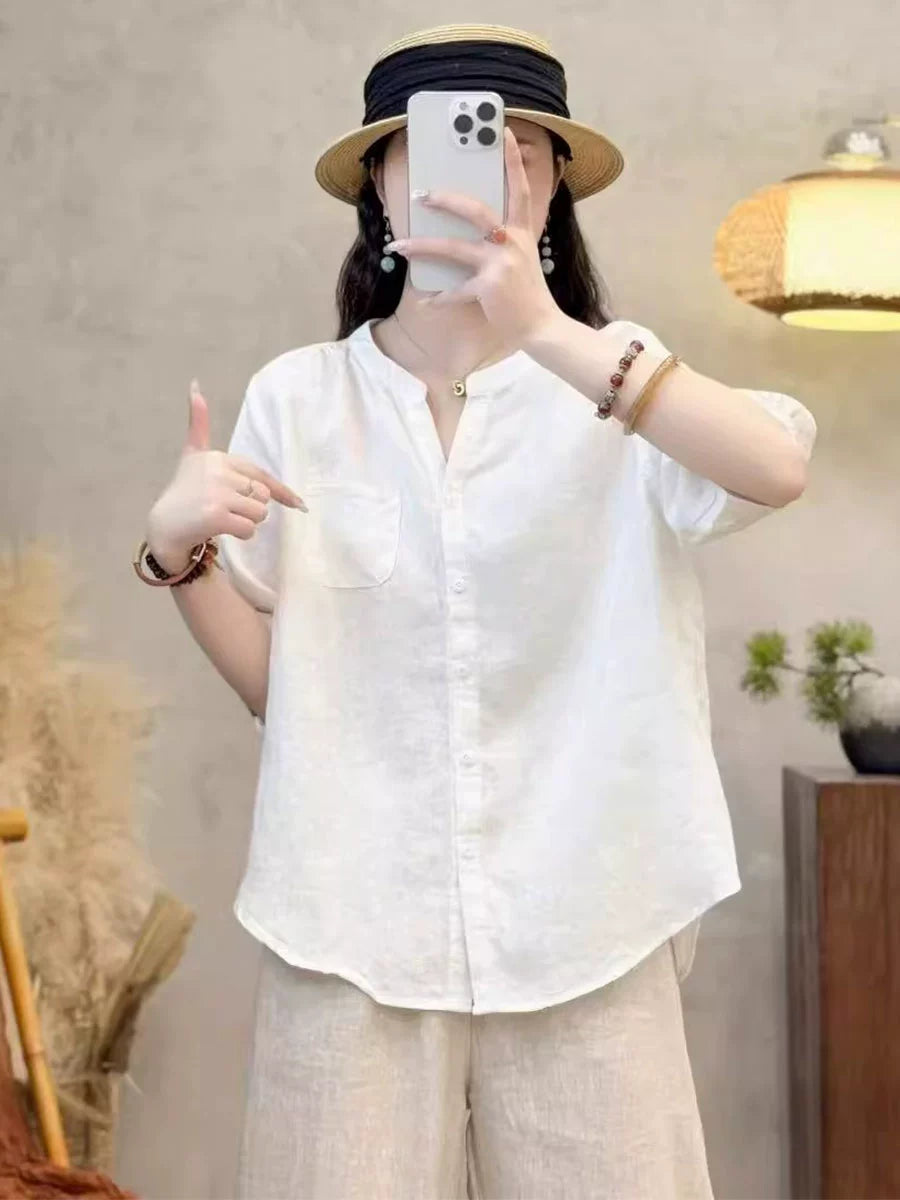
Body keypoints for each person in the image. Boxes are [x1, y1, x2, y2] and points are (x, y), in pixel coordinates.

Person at [136, 22, 817, 1200]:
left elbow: (777, 467)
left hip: (592, 917)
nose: (478, 172)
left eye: (515, 148)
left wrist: (546, 331)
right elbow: (287, 692)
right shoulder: (301, 397)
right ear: (379, 185)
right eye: (434, 146)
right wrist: (177, 552)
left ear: (552, 189)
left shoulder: (620, 377)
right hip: (349, 924)